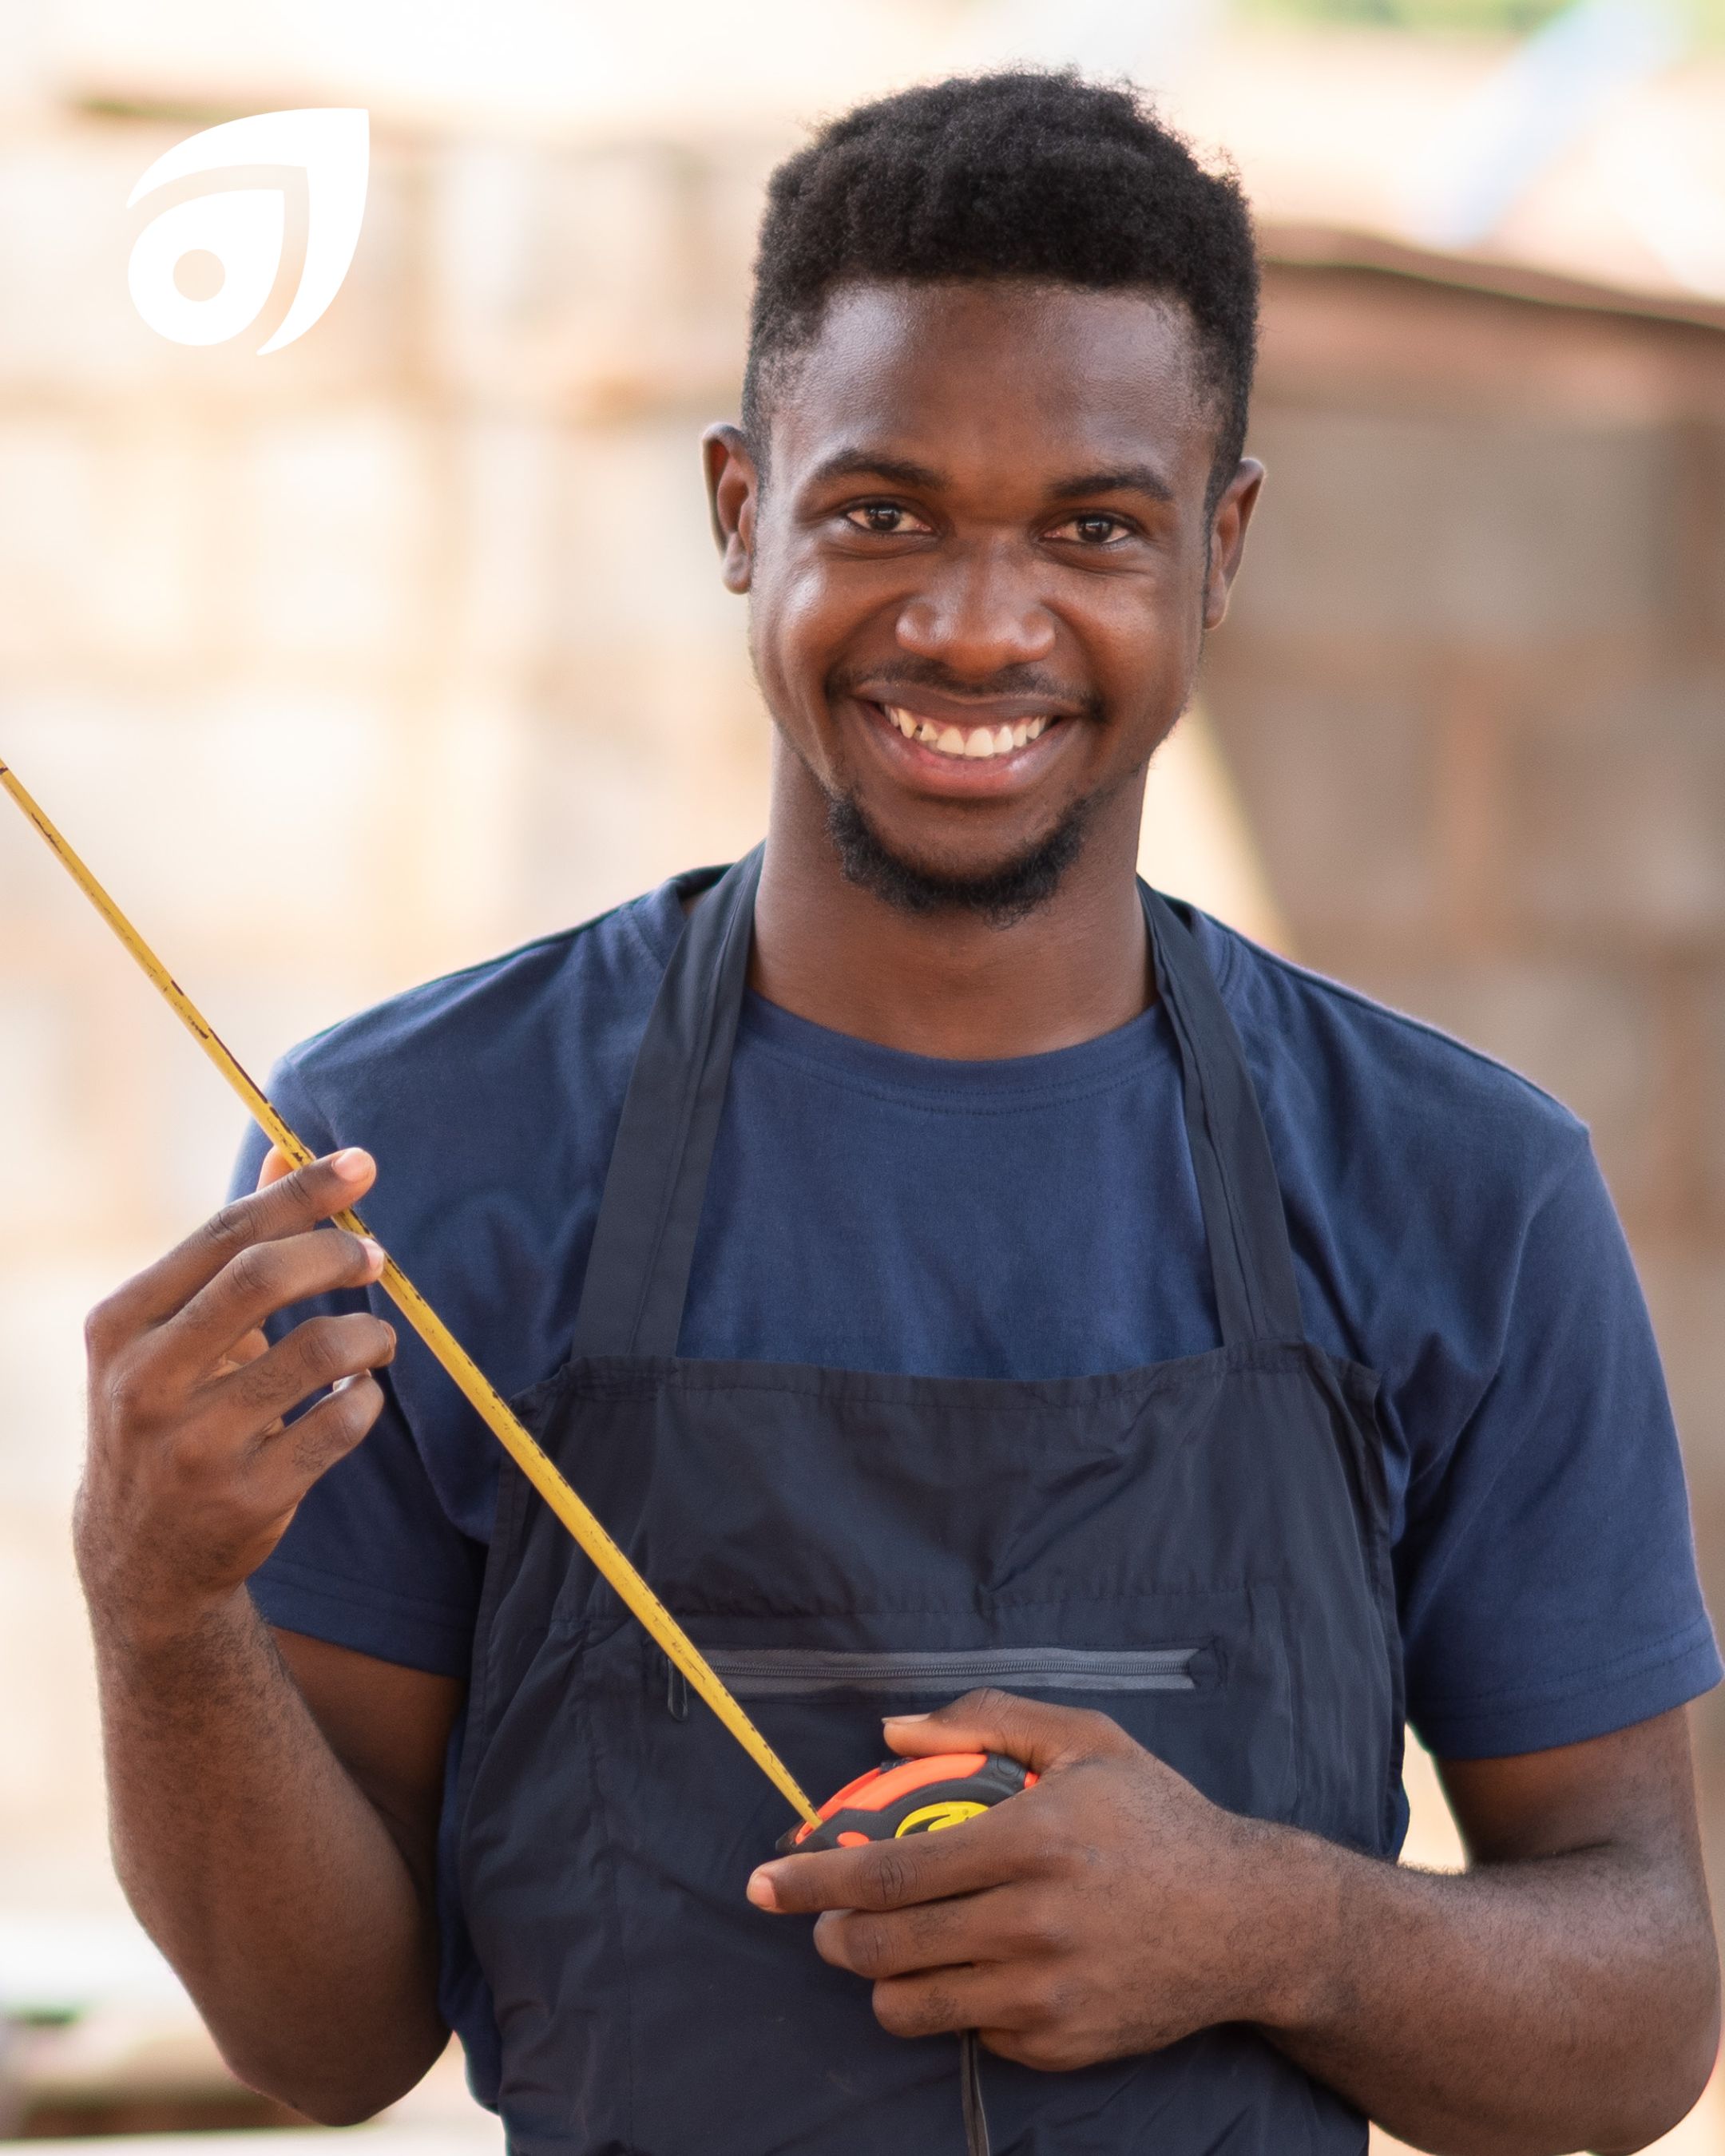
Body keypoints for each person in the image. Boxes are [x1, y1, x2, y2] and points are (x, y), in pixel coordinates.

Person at [75, 71, 1721, 2156]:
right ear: (742, 509)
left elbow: (1647, 2000)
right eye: (886, 511)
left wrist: (1272, 1930)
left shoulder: (1464, 1188)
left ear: (1221, 548)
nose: (976, 621)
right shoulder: (417, 1152)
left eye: (1094, 529)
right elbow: (325, 2042)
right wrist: (159, 1612)